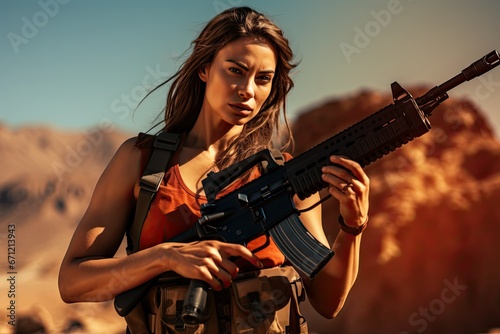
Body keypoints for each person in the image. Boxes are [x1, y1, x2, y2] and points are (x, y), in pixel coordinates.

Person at [58, 6, 370, 334]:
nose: (248, 90)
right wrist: (166, 257)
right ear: (205, 68)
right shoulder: (140, 162)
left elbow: (327, 303)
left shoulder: (283, 176)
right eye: (235, 70)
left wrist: (352, 226)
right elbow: (72, 283)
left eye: (263, 79)